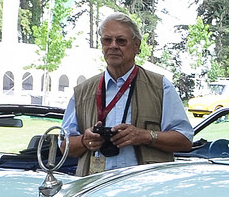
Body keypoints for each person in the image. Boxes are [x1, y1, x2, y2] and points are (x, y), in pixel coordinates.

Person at [61, 15, 193, 174]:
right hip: (95, 188)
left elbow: (184, 140)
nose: (113, 46)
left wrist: (144, 136)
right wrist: (85, 140)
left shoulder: (160, 87)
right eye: (107, 40)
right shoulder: (82, 92)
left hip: (143, 188)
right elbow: (64, 146)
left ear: (137, 46)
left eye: (121, 41)